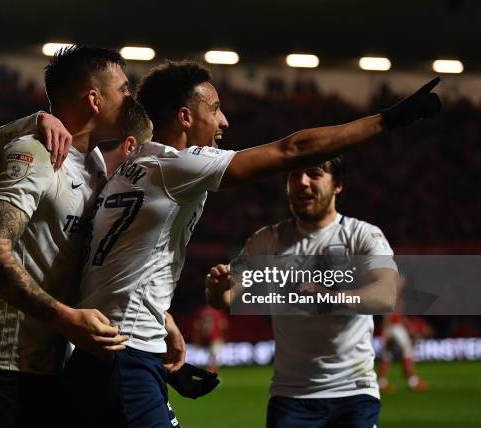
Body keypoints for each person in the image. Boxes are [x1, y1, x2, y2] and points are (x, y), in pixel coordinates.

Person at [65, 61, 441, 427]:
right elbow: (292, 150)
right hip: (125, 356)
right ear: (185, 118)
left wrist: (159, 322)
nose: (224, 121)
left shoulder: (130, 167)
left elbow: (117, 264)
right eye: (214, 109)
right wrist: (387, 119)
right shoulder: (178, 165)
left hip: (102, 350)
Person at [0, 45, 133, 428]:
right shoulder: (35, 151)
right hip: (0, 364)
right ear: (94, 99)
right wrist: (65, 318)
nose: (131, 98)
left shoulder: (96, 164)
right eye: (124, 89)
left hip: (55, 362)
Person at [206, 156, 400, 427]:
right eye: (294, 176)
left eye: (314, 174)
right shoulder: (267, 240)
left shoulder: (363, 236)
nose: (302, 183)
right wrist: (217, 289)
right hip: (290, 395)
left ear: (338, 185)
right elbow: (227, 298)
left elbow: (386, 295)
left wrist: (329, 297)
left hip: (354, 393)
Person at [378, 314, 430, 392]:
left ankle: (381, 383)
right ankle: (413, 382)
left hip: (392, 325)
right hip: (395, 325)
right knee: (407, 349)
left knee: (387, 353)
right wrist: (386, 328)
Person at [193, 304, 228, 372]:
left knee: (213, 355)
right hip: (213, 338)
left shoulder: (202, 311)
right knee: (213, 355)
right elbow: (224, 325)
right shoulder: (217, 312)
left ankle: (212, 371)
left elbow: (196, 326)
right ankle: (212, 371)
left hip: (212, 338)